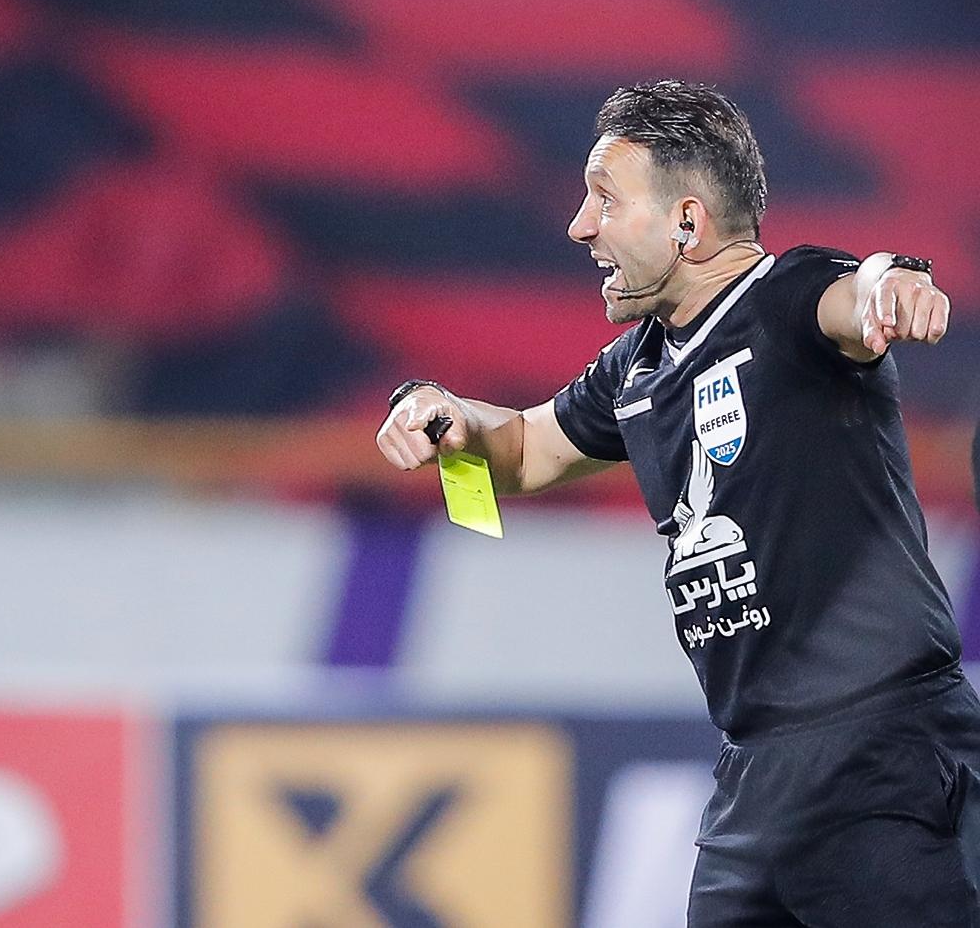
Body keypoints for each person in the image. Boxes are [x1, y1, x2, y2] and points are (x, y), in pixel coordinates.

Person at [376, 80, 971, 924]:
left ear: (687, 222)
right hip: (753, 781)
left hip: (883, 754)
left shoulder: (786, 299)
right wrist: (446, 412)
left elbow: (855, 290)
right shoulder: (637, 367)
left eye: (605, 200)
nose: (580, 226)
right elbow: (524, 452)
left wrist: (891, 282)